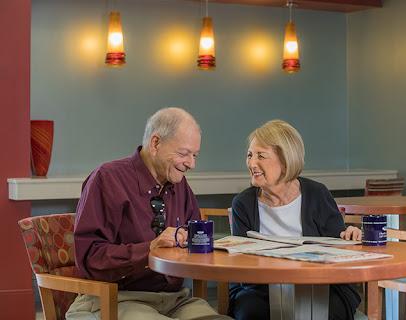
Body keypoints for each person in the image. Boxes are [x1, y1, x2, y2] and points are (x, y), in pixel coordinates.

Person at [67, 108, 231, 320]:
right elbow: (90, 258)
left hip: (176, 300)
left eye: (194, 155)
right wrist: (150, 249)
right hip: (117, 298)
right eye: (184, 154)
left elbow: (195, 241)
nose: (191, 164)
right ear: (155, 144)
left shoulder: (179, 184)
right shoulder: (107, 179)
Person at [228, 120, 362, 320]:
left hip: (319, 286)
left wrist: (350, 237)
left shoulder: (317, 194)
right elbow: (242, 265)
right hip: (260, 290)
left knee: (325, 314)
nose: (251, 163)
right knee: (250, 314)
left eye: (261, 156)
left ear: (285, 161)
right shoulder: (243, 203)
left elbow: (337, 251)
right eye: (250, 155)